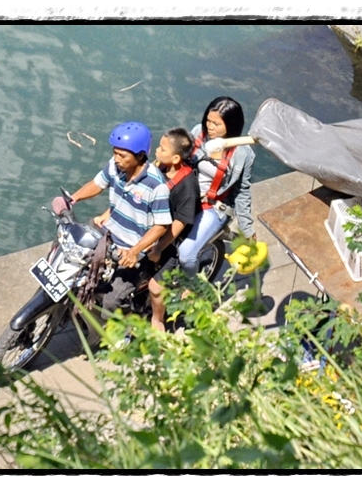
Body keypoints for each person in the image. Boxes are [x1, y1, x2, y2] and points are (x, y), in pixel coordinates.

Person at [53, 121, 172, 320]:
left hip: (133, 250)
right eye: (115, 153)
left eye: (122, 155)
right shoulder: (114, 167)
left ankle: (126, 328)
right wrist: (72, 199)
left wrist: (134, 251)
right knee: (68, 251)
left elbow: (161, 226)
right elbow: (97, 184)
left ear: (140, 156)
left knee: (112, 300)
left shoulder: (156, 185)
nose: (116, 159)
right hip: (108, 235)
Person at [178, 96, 257, 277]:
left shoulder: (243, 154)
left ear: (231, 125)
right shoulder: (198, 132)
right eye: (208, 121)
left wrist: (247, 229)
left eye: (217, 124)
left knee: (186, 255)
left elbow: (241, 191)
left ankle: (192, 286)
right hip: (186, 195)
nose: (210, 127)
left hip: (213, 206)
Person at [146, 128, 200, 332]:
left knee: (155, 287)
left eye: (162, 149)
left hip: (171, 240)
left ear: (176, 158)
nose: (157, 151)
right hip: (152, 226)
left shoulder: (187, 186)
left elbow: (179, 223)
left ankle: (158, 319)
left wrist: (159, 247)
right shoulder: (159, 167)